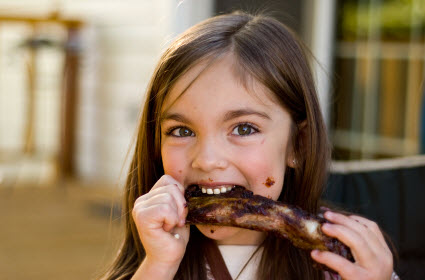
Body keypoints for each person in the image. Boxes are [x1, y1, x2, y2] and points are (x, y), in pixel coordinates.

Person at [102, 11, 396, 280]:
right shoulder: (154, 262)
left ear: (298, 145)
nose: (206, 159)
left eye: (244, 129)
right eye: (181, 130)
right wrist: (159, 265)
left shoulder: (347, 266)